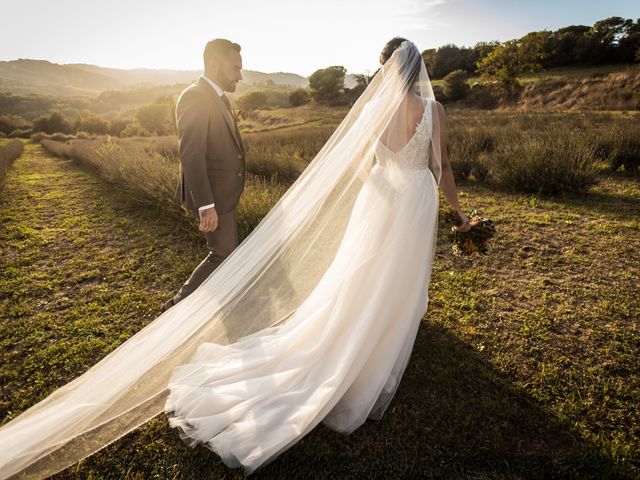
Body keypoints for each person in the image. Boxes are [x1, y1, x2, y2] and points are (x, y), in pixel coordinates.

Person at [0, 38, 470, 480]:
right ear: (418, 71)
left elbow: (358, 167)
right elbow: (440, 167)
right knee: (397, 270)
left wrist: (381, 182)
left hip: (380, 197)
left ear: (385, 69)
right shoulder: (434, 109)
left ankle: (359, 323)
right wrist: (459, 216)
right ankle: (385, 324)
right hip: (414, 199)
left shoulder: (371, 111)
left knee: (364, 268)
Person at [162, 38, 246, 313]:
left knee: (227, 252)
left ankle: (220, 307)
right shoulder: (195, 96)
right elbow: (192, 154)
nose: (240, 75)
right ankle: (176, 309)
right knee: (221, 254)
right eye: (235, 68)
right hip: (213, 196)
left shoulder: (219, 97)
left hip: (224, 194)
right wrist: (206, 205)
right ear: (214, 64)